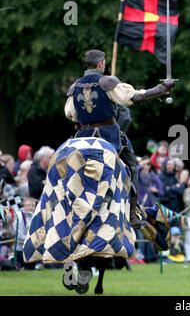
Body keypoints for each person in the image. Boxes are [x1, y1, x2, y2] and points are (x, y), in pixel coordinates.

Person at [64, 49, 175, 229]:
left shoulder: (74, 87)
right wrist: (162, 88)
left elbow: (70, 114)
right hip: (108, 137)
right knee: (131, 167)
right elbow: (133, 97)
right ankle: (132, 213)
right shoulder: (107, 82)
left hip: (81, 138)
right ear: (101, 64)